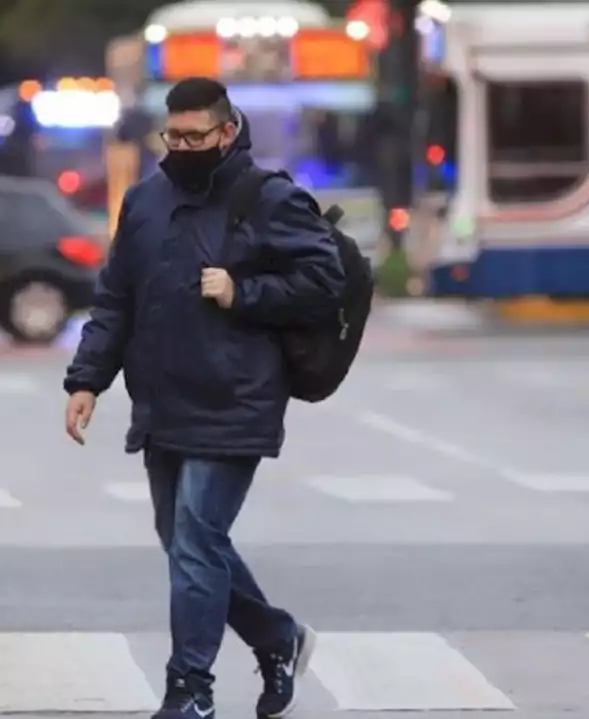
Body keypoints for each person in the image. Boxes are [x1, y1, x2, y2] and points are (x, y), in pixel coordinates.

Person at [63, 78, 346, 719]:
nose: (183, 147)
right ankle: (276, 635)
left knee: (196, 535)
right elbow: (116, 301)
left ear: (227, 131)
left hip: (237, 397)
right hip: (163, 400)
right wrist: (86, 380)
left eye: (196, 136)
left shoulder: (268, 198)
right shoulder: (144, 202)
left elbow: (323, 281)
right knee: (187, 540)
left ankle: (190, 689)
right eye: (174, 135)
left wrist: (241, 291)